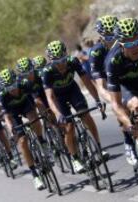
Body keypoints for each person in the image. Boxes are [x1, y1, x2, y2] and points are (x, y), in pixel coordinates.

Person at [105, 17, 138, 188]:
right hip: (126, 87)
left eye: (137, 41)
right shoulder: (113, 61)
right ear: (120, 44)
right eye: (128, 44)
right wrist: (127, 123)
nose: (134, 47)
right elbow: (115, 103)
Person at [42, 40, 108, 173]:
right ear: (50, 61)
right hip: (58, 97)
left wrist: (97, 100)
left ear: (67, 55)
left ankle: (98, 148)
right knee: (69, 126)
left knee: (86, 115)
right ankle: (75, 158)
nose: (61, 64)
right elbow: (50, 97)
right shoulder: (47, 71)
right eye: (56, 62)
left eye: (63, 60)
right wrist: (58, 114)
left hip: (73, 91)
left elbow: (87, 82)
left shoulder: (73, 61)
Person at [89, 15, 137, 166]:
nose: (112, 39)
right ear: (101, 36)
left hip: (127, 75)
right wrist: (113, 102)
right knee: (121, 108)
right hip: (109, 83)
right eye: (108, 36)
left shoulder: (123, 45)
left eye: (114, 35)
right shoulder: (96, 52)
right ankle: (129, 142)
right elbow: (100, 85)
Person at [0, 68, 45, 190]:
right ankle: (35, 175)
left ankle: (41, 139)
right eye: (8, 87)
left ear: (16, 81)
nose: (12, 89)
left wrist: (44, 114)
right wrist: (11, 131)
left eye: (13, 85)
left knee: (34, 119)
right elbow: (7, 118)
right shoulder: (2, 96)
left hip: (26, 105)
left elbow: (37, 100)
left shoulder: (24, 83)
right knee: (22, 142)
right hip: (13, 113)